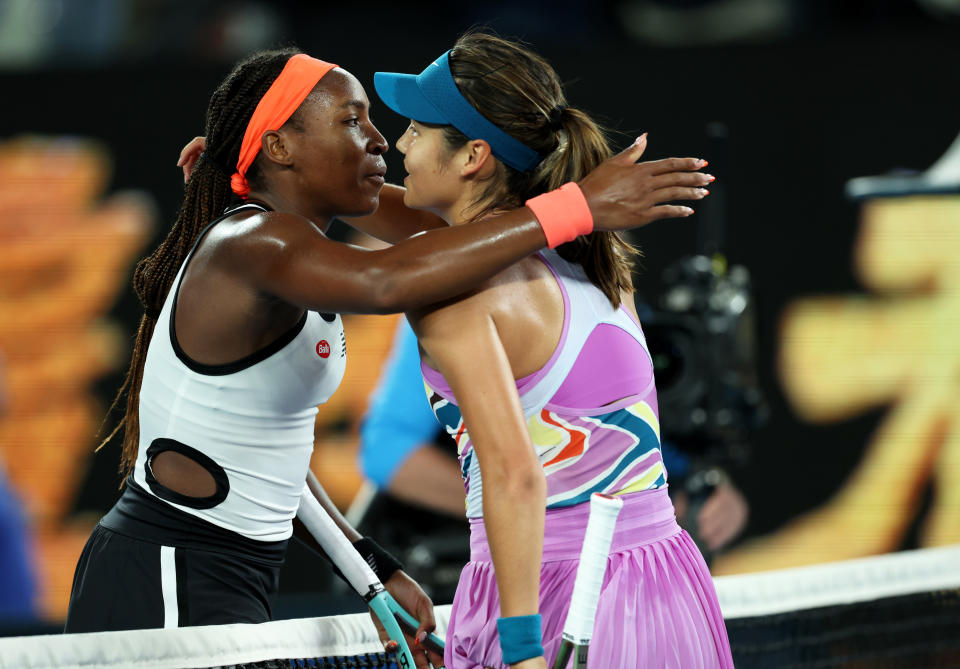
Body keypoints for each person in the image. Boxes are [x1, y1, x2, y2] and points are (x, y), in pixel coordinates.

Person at [64, 44, 706, 666]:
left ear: (474, 155)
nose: (384, 140)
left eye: (404, 126)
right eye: (352, 120)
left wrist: (371, 568)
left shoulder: (313, 250)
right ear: (280, 146)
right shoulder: (250, 243)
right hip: (169, 569)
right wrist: (578, 208)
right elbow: (388, 278)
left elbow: (440, 243)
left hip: (237, 573)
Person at [373, 33, 732, 668]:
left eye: (419, 129)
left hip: (551, 600)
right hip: (665, 584)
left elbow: (515, 476)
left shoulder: (458, 293)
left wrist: (521, 648)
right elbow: (363, 205)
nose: (399, 142)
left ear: (472, 157)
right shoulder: (591, 258)